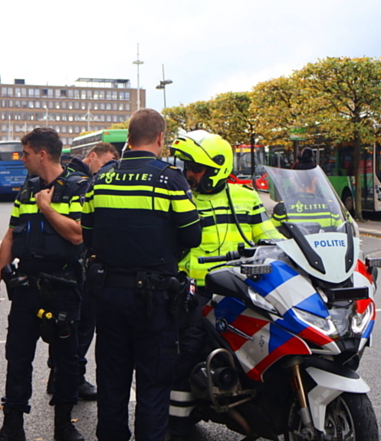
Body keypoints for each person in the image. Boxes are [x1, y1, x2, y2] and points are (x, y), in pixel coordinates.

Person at [81, 108, 201, 441]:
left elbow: (87, 234)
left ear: (128, 138)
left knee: (112, 381)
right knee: (153, 385)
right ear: (161, 138)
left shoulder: (100, 179)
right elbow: (193, 236)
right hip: (155, 298)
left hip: (108, 295)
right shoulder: (170, 179)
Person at [168, 129, 279, 441]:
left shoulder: (245, 197)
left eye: (195, 168)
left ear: (216, 169)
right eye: (187, 166)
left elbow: (271, 237)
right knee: (187, 352)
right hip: (198, 292)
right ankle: (176, 425)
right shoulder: (182, 199)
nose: (189, 173)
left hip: (243, 288)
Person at [0, 128, 90, 441]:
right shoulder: (26, 188)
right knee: (17, 357)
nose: (22, 158)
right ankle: (12, 425)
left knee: (67, 361)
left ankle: (64, 426)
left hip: (64, 287)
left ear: (42, 154)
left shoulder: (78, 187)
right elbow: (11, 235)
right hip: (27, 286)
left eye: (26, 152)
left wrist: (46, 207)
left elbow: (77, 234)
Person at [46, 142, 119, 401]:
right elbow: (82, 230)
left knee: (68, 324)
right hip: (80, 265)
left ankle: (59, 375)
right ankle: (73, 378)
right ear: (92, 157)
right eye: (106, 162)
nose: (108, 168)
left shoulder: (66, 176)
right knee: (83, 324)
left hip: (64, 265)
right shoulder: (82, 183)